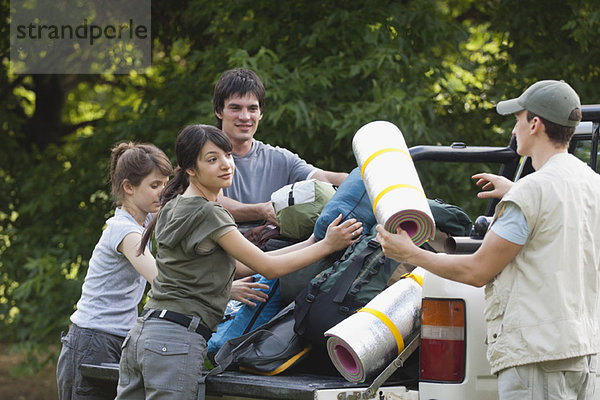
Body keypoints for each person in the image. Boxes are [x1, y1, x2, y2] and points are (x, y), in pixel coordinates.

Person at [376, 80, 600, 399]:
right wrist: (516, 190)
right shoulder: (591, 184)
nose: (513, 130)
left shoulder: (531, 193)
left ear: (535, 124)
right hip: (586, 357)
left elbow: (477, 271)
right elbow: (560, 214)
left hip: (537, 361)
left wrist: (410, 253)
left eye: (517, 119)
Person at [115, 124, 362, 400]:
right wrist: (329, 245)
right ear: (190, 170)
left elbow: (245, 265)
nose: (226, 165)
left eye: (228, 155)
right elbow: (269, 269)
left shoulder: (173, 206)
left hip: (142, 335)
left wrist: (311, 243)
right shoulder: (209, 214)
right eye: (212, 159)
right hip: (175, 342)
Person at [56, 142, 173, 400]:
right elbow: (161, 280)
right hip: (92, 342)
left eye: (166, 184)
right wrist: (224, 290)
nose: (163, 192)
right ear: (128, 187)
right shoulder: (125, 231)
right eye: (155, 186)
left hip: (117, 340)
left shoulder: (141, 226)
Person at [213, 68, 348, 226]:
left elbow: (325, 179)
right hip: (222, 248)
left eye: (252, 109)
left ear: (261, 113)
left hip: (276, 249)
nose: (245, 117)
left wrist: (364, 179)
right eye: (235, 108)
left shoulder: (280, 159)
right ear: (219, 111)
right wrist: (263, 210)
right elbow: (214, 205)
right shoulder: (202, 156)